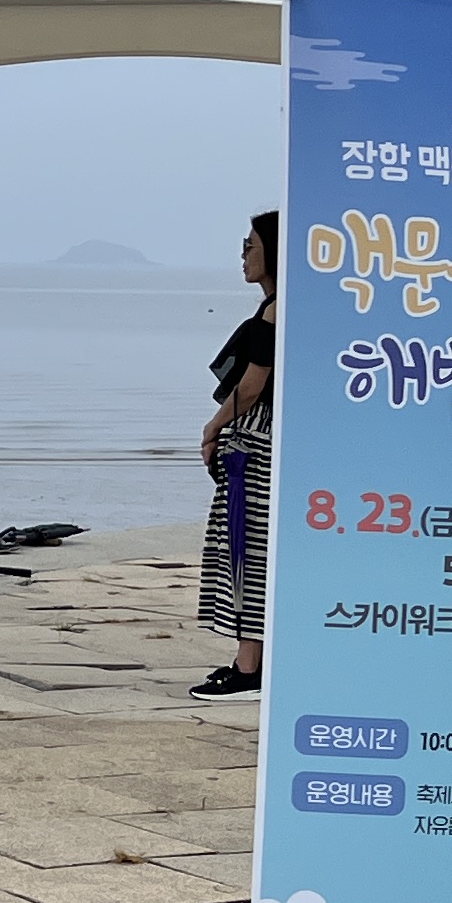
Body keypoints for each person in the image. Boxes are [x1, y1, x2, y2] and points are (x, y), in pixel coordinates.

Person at [192, 210, 276, 696]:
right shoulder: (291, 306)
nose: (243, 255)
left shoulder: (274, 311)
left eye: (250, 246)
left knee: (245, 546)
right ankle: (252, 661)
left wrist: (212, 428)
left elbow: (252, 383)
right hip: (268, 436)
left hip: (255, 441)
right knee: (252, 546)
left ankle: (248, 667)